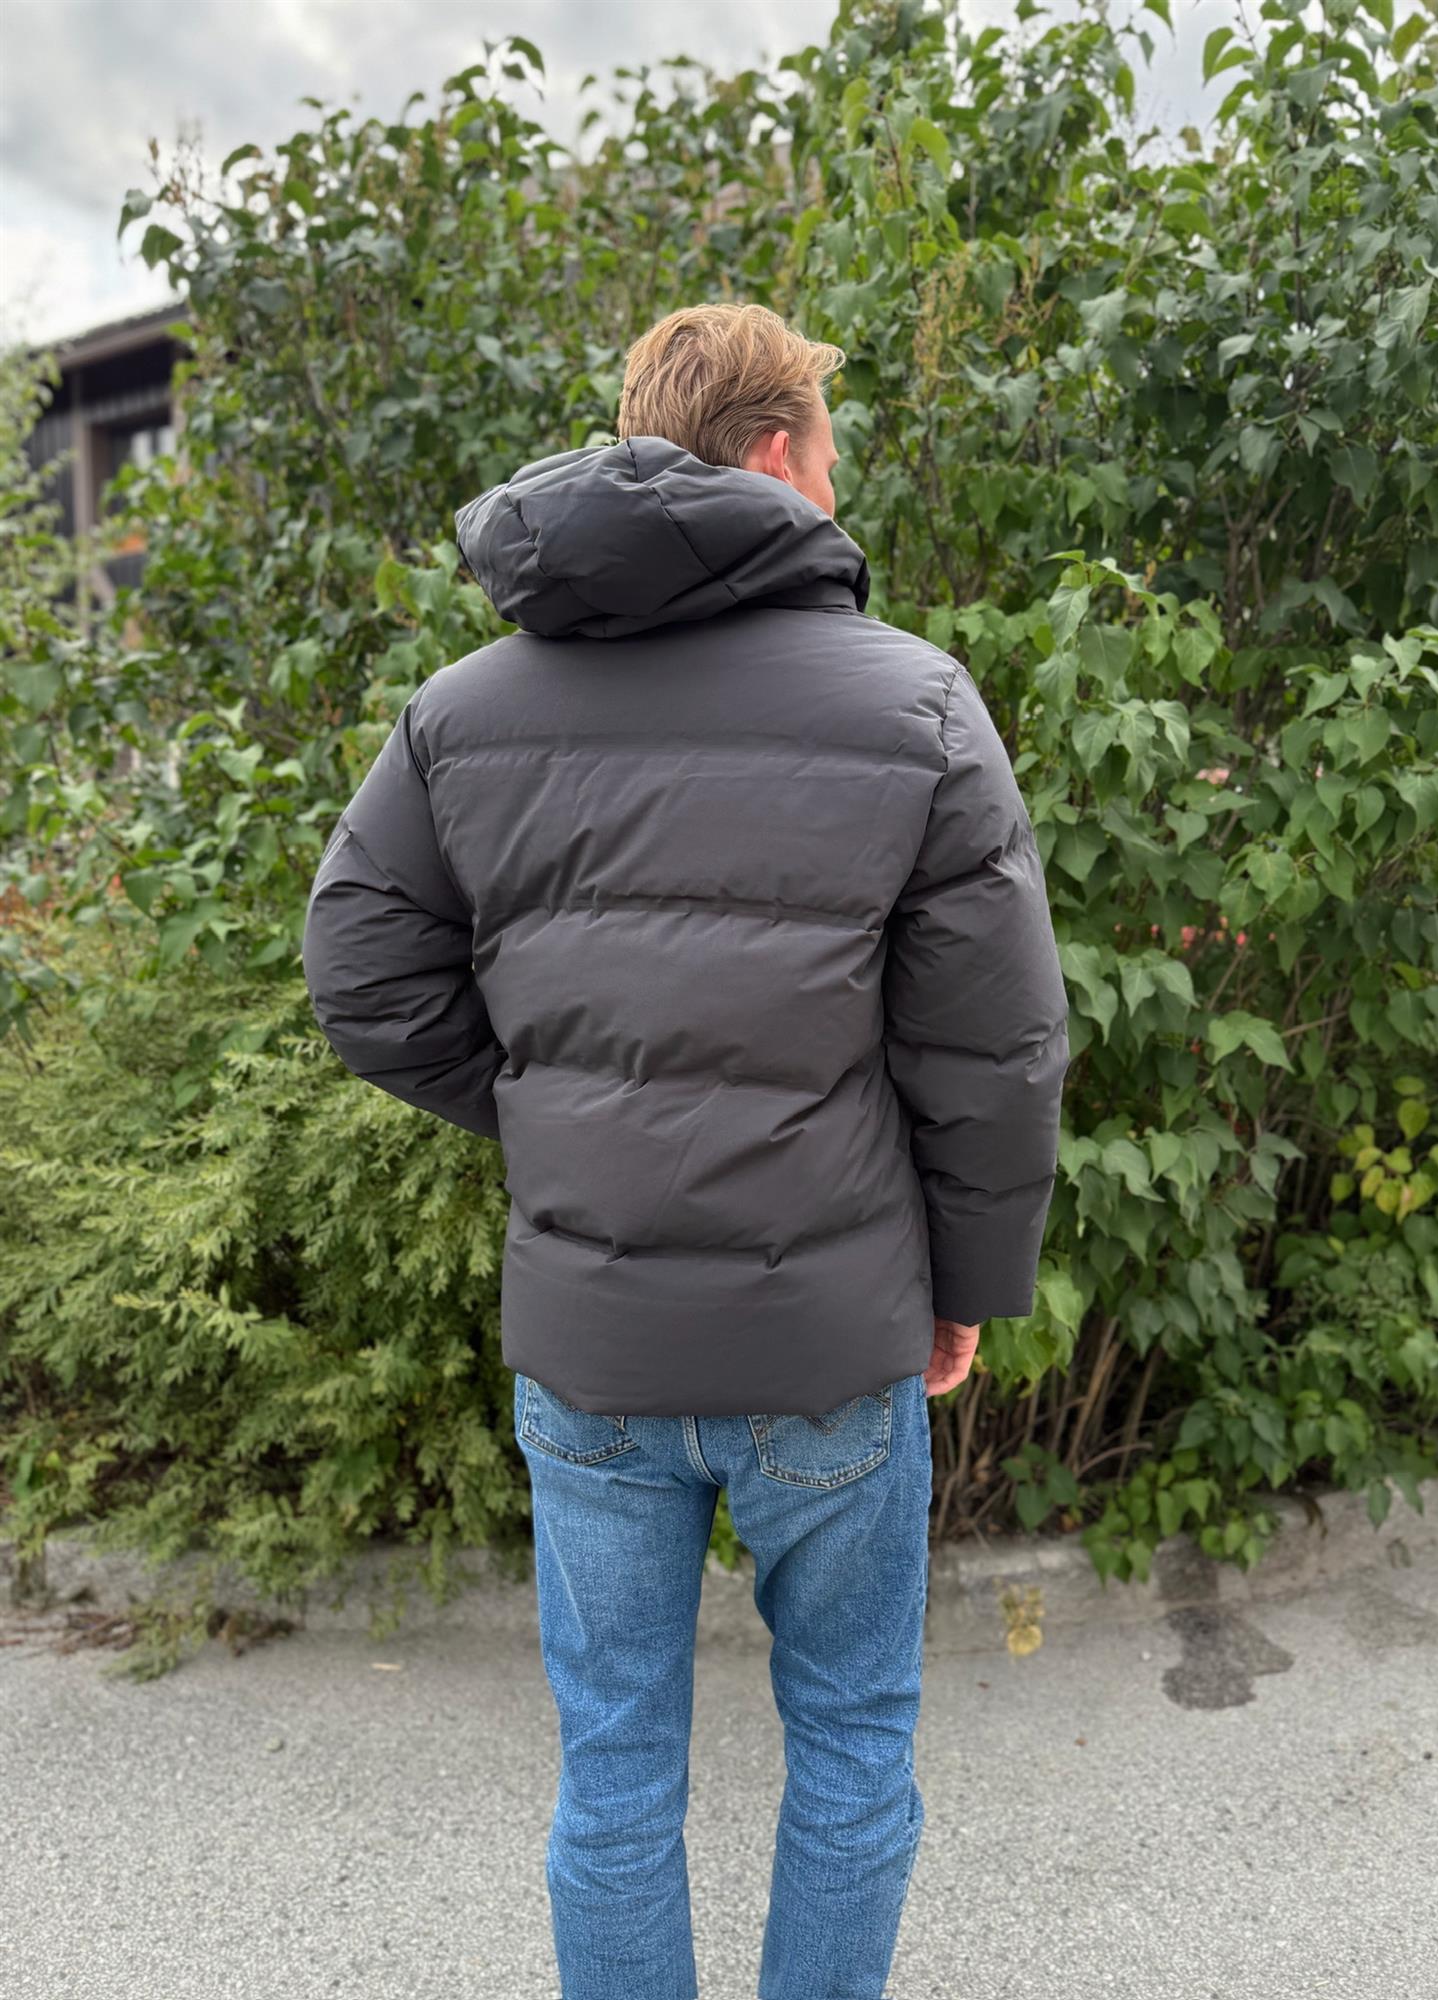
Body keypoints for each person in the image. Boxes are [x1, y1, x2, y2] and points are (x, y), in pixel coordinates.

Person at [301, 301, 1070, 2000]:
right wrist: (966, 1286)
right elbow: (996, 1048)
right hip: (832, 1336)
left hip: (597, 1344)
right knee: (853, 1745)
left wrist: (558, 1111)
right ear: (782, 455)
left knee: (616, 1773)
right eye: (832, 456)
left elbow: (359, 975)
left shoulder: (462, 713)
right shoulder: (917, 704)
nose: (837, 486)